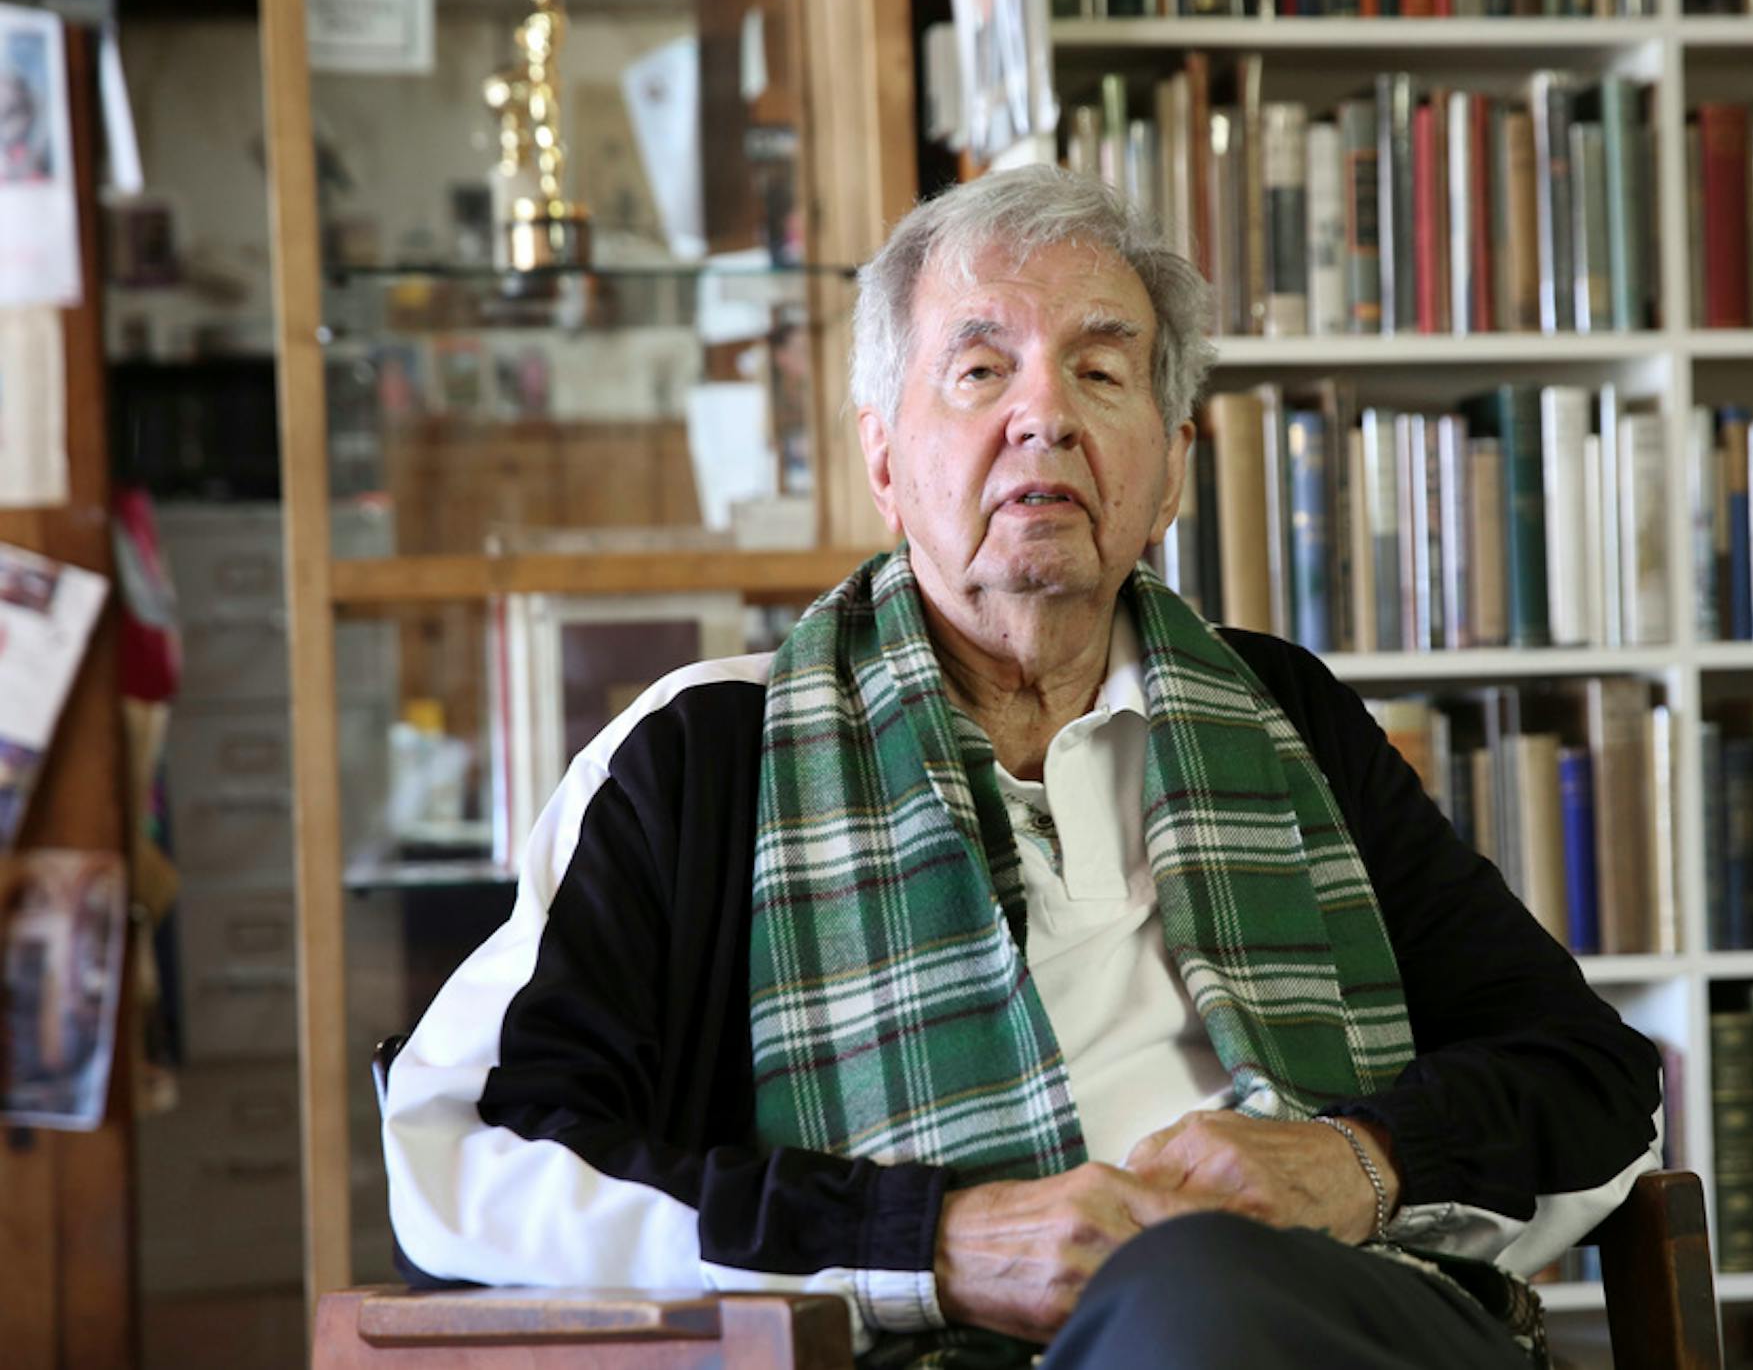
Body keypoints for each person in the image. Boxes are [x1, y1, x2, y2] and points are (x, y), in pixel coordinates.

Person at [381, 165, 1663, 1369]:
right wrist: (923, 1246)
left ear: (1170, 470)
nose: (1042, 414)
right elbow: (468, 1158)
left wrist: (1359, 1162)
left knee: (1200, 1295)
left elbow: (1594, 1085)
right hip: (912, 1338)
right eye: (981, 369)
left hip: (1324, 1318)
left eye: (1102, 373)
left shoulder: (1289, 721)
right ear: (884, 457)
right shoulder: (701, 756)